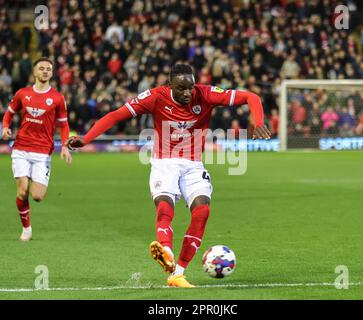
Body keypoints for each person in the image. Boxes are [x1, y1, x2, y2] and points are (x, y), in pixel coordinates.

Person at [65, 64, 271, 288]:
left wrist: (258, 122)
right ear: (169, 85)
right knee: (165, 207)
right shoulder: (155, 97)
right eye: (181, 88)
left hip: (193, 164)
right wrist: (85, 139)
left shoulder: (206, 94)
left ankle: (177, 274)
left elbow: (252, 97)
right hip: (165, 162)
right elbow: (116, 116)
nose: (187, 93)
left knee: (202, 211)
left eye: (190, 88)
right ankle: (167, 252)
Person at [2, 57, 72, 241]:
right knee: (22, 189)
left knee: (37, 196)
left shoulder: (57, 98)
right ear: (34, 72)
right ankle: (26, 229)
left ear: (52, 72)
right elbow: (9, 113)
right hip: (21, 149)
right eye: (41, 68)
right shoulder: (22, 94)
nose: (45, 71)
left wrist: (65, 145)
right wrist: (5, 126)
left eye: (48, 69)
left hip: (42, 153)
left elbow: (64, 125)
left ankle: (32, 175)